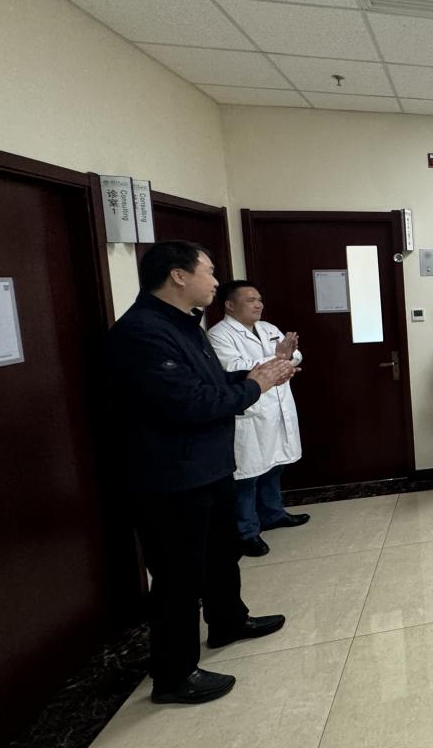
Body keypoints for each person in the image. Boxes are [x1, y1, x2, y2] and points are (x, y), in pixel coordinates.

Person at [105, 241, 291, 705]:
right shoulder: (143, 332)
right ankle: (174, 675)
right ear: (178, 275)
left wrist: (254, 376)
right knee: (178, 577)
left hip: (208, 469)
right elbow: (186, 403)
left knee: (221, 554)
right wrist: (255, 386)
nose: (215, 281)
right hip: (171, 478)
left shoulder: (184, 325)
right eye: (208, 271)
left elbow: (208, 384)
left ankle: (228, 621)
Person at [207, 280, 310, 558]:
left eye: (260, 300)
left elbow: (295, 355)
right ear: (230, 305)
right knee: (248, 474)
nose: (258, 305)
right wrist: (278, 359)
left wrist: (284, 357)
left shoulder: (268, 328)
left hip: (275, 408)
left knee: (274, 465)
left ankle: (273, 514)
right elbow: (234, 367)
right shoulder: (219, 335)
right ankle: (247, 532)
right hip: (250, 413)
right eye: (251, 300)